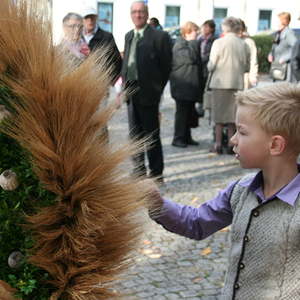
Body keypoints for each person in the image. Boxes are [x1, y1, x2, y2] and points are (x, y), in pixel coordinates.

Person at [148, 82, 300, 299]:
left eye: (242, 132)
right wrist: (156, 203)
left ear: (275, 145)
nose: (233, 140)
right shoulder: (240, 190)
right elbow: (197, 223)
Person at [121, 1, 172, 182]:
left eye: (141, 12)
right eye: (134, 12)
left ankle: (156, 173)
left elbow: (166, 67)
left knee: (151, 135)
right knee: (134, 134)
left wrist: (157, 90)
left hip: (149, 94)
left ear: (147, 13)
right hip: (131, 93)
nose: (138, 15)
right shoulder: (128, 36)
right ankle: (139, 169)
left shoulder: (160, 37)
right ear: (131, 15)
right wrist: (123, 89)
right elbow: (126, 62)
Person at [207, 17, 249, 154]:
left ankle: (218, 144)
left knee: (219, 117)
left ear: (225, 27)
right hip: (237, 82)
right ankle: (232, 145)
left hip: (219, 82)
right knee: (233, 116)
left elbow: (211, 65)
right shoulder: (243, 44)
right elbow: (247, 66)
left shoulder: (218, 43)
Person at [170, 21, 204, 148]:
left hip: (189, 86)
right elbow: (191, 57)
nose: (198, 34)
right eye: (196, 31)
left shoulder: (188, 44)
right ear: (188, 31)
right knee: (181, 114)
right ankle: (178, 138)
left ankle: (187, 136)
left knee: (189, 112)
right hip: (182, 86)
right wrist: (194, 42)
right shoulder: (179, 45)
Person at [82, 7, 122, 84]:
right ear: (82, 20)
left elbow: (117, 61)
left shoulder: (107, 37)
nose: (90, 20)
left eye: (92, 17)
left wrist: (110, 82)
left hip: (102, 84)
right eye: (87, 17)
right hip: (81, 85)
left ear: (96, 18)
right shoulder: (78, 38)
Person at [268, 12, 297, 82]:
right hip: (277, 67)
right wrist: (270, 54)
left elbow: (296, 48)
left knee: (283, 91)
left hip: (286, 69)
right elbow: (274, 47)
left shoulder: (289, 33)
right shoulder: (278, 33)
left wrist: (284, 58)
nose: (276, 23)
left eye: (278, 21)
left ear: (283, 22)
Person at [238, 19, 258, 89]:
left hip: (245, 76)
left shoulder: (249, 42)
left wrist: (253, 76)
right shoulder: (231, 40)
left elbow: (253, 60)